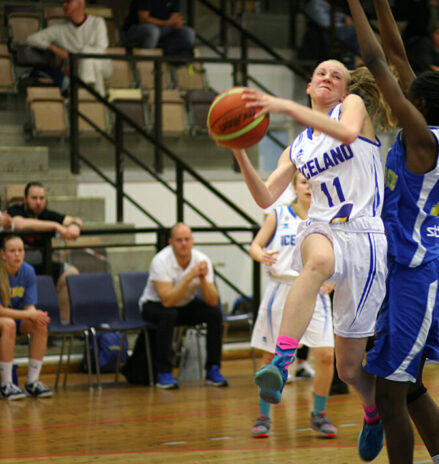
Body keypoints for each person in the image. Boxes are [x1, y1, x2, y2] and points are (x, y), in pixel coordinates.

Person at [224, 59, 393, 462]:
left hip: (366, 236)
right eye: (321, 73)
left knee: (348, 368)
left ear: (344, 88)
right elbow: (266, 197)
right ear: (309, 85)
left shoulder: (352, 107)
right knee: (315, 261)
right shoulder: (297, 147)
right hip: (323, 226)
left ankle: (372, 414)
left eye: (336, 75)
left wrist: (282, 106)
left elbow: (347, 134)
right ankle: (282, 361)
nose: (328, 77)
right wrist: (239, 152)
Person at [347, 0, 439, 462]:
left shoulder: (424, 139)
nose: (403, 94)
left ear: (421, 106)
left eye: (410, 95)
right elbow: (395, 55)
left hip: (416, 273)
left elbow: (378, 64)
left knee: (390, 395)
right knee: (409, 389)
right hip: (403, 267)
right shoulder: (429, 125)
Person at [248, 173, 337, 439]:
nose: (308, 187)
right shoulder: (278, 214)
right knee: (269, 357)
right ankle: (263, 415)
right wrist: (260, 254)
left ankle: (319, 413)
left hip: (315, 291)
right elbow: (255, 245)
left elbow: (340, 255)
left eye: (312, 182)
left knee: (326, 355)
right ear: (295, 187)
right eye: (303, 182)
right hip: (281, 289)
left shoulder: (328, 217)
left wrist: (333, 281)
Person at [138, 223, 228, 390]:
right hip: (154, 305)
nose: (184, 244)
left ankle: (213, 369)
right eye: (179, 240)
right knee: (168, 314)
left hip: (183, 304)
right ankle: (164, 373)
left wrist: (202, 279)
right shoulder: (160, 261)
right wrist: (189, 277)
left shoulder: (202, 260)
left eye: (187, 239)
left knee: (214, 313)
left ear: (192, 240)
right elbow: (167, 301)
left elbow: (212, 300)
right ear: (171, 242)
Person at [7, 182, 82, 324]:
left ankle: (61, 324)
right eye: (34, 198)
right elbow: (20, 224)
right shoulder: (15, 210)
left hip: (44, 262)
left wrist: (76, 226)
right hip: (19, 267)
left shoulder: (47, 214)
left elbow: (75, 220)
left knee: (71, 274)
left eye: (42, 198)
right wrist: (55, 226)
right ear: (25, 199)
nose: (38, 202)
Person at [0, 235, 53, 400]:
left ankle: (32, 383)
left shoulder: (28, 271)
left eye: (20, 250)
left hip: (14, 316)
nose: (17, 255)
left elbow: (30, 306)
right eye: (12, 251)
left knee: (39, 325)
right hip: (4, 317)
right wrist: (28, 314)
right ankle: (6, 384)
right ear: (3, 254)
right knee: (9, 324)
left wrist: (37, 315)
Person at [25, 0, 111, 96]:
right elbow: (31, 39)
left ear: (80, 3)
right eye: (63, 2)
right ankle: (94, 95)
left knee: (87, 52)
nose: (64, 5)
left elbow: (101, 49)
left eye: (68, 2)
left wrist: (76, 62)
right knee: (91, 67)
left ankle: (81, 92)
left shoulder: (97, 22)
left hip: (101, 66)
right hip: (80, 71)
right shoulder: (59, 28)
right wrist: (55, 49)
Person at [123, 0, 195, 56]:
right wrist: (167, 23)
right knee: (153, 31)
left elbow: (174, 17)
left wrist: (177, 23)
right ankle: (148, 63)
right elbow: (143, 19)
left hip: (164, 29)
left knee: (188, 32)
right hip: (136, 30)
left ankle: (185, 63)